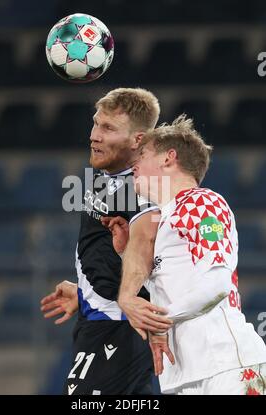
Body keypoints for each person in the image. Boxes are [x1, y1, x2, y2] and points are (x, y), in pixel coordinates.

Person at [113, 115, 266, 395]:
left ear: (169, 158)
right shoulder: (163, 222)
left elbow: (217, 284)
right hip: (182, 375)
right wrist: (127, 254)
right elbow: (176, 287)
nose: (132, 162)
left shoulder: (201, 202)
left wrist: (159, 322)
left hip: (227, 364)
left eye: (143, 154)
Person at [40, 88, 173, 395]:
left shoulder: (145, 192)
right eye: (96, 124)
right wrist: (87, 291)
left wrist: (117, 296)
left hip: (120, 328)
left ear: (137, 140)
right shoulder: (105, 175)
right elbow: (108, 250)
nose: (94, 136)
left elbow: (148, 255)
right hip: (97, 320)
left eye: (108, 128)